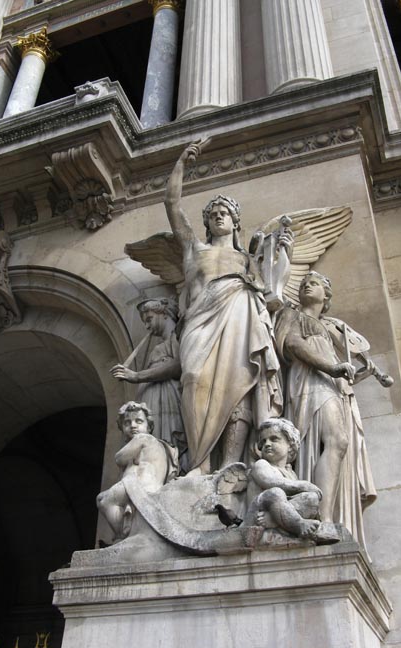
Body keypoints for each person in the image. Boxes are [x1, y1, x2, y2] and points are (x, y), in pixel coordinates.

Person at [164, 139, 290, 474]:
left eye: (225, 214)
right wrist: (180, 163)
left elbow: (271, 288)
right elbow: (172, 204)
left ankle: (232, 464)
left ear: (235, 222)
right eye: (213, 214)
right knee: (191, 376)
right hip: (199, 319)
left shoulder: (247, 260)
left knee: (239, 384)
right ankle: (200, 461)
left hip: (238, 311)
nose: (219, 217)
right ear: (206, 223)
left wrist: (280, 254)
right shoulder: (194, 249)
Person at [275, 271, 377, 552]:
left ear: (326, 295)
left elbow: (338, 358)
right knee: (337, 440)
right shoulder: (291, 314)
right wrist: (332, 367)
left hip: (331, 386)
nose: (307, 284)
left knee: (339, 443)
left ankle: (327, 515)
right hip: (308, 382)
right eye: (305, 282)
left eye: (315, 283)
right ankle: (323, 518)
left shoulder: (329, 326)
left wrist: (354, 371)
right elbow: (293, 345)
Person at [110, 298, 187, 467]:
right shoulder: (161, 345)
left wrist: (136, 376)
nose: (147, 326)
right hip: (155, 399)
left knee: (167, 439)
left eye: (149, 319)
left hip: (167, 397)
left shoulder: (177, 336)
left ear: (164, 314)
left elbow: (178, 365)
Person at [96, 401, 179, 541]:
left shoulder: (143, 438)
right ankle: (127, 533)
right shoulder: (157, 445)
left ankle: (124, 535)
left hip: (139, 486)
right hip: (142, 486)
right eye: (127, 423)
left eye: (138, 421)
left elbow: (119, 458)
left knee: (103, 500)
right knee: (104, 499)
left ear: (149, 426)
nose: (133, 425)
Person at [242, 418, 322, 540]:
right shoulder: (261, 464)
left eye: (274, 439)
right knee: (275, 492)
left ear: (290, 446)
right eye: (263, 442)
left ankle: (274, 520)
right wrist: (304, 485)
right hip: (256, 514)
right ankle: (299, 524)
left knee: (312, 498)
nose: (267, 444)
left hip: (273, 513)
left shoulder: (291, 474)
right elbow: (270, 482)